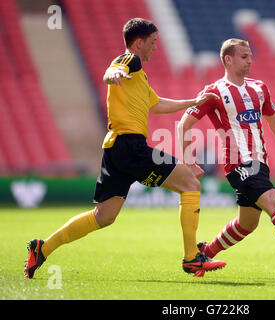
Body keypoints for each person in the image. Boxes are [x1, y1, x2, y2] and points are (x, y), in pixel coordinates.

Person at [24, 18, 226, 279]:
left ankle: (43, 248)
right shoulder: (131, 61)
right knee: (191, 183)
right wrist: (113, 74)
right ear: (139, 42)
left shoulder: (138, 76)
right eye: (153, 42)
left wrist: (195, 100)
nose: (156, 47)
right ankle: (192, 258)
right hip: (131, 146)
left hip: (115, 148)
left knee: (104, 216)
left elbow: (157, 104)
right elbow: (112, 70)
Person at [178, 38, 275, 266]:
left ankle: (206, 251)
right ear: (228, 60)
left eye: (250, 56)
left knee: (247, 224)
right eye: (244, 57)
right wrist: (189, 161)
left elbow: (274, 121)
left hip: (259, 164)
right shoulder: (213, 92)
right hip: (239, 165)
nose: (249, 61)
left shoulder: (259, 88)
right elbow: (183, 125)